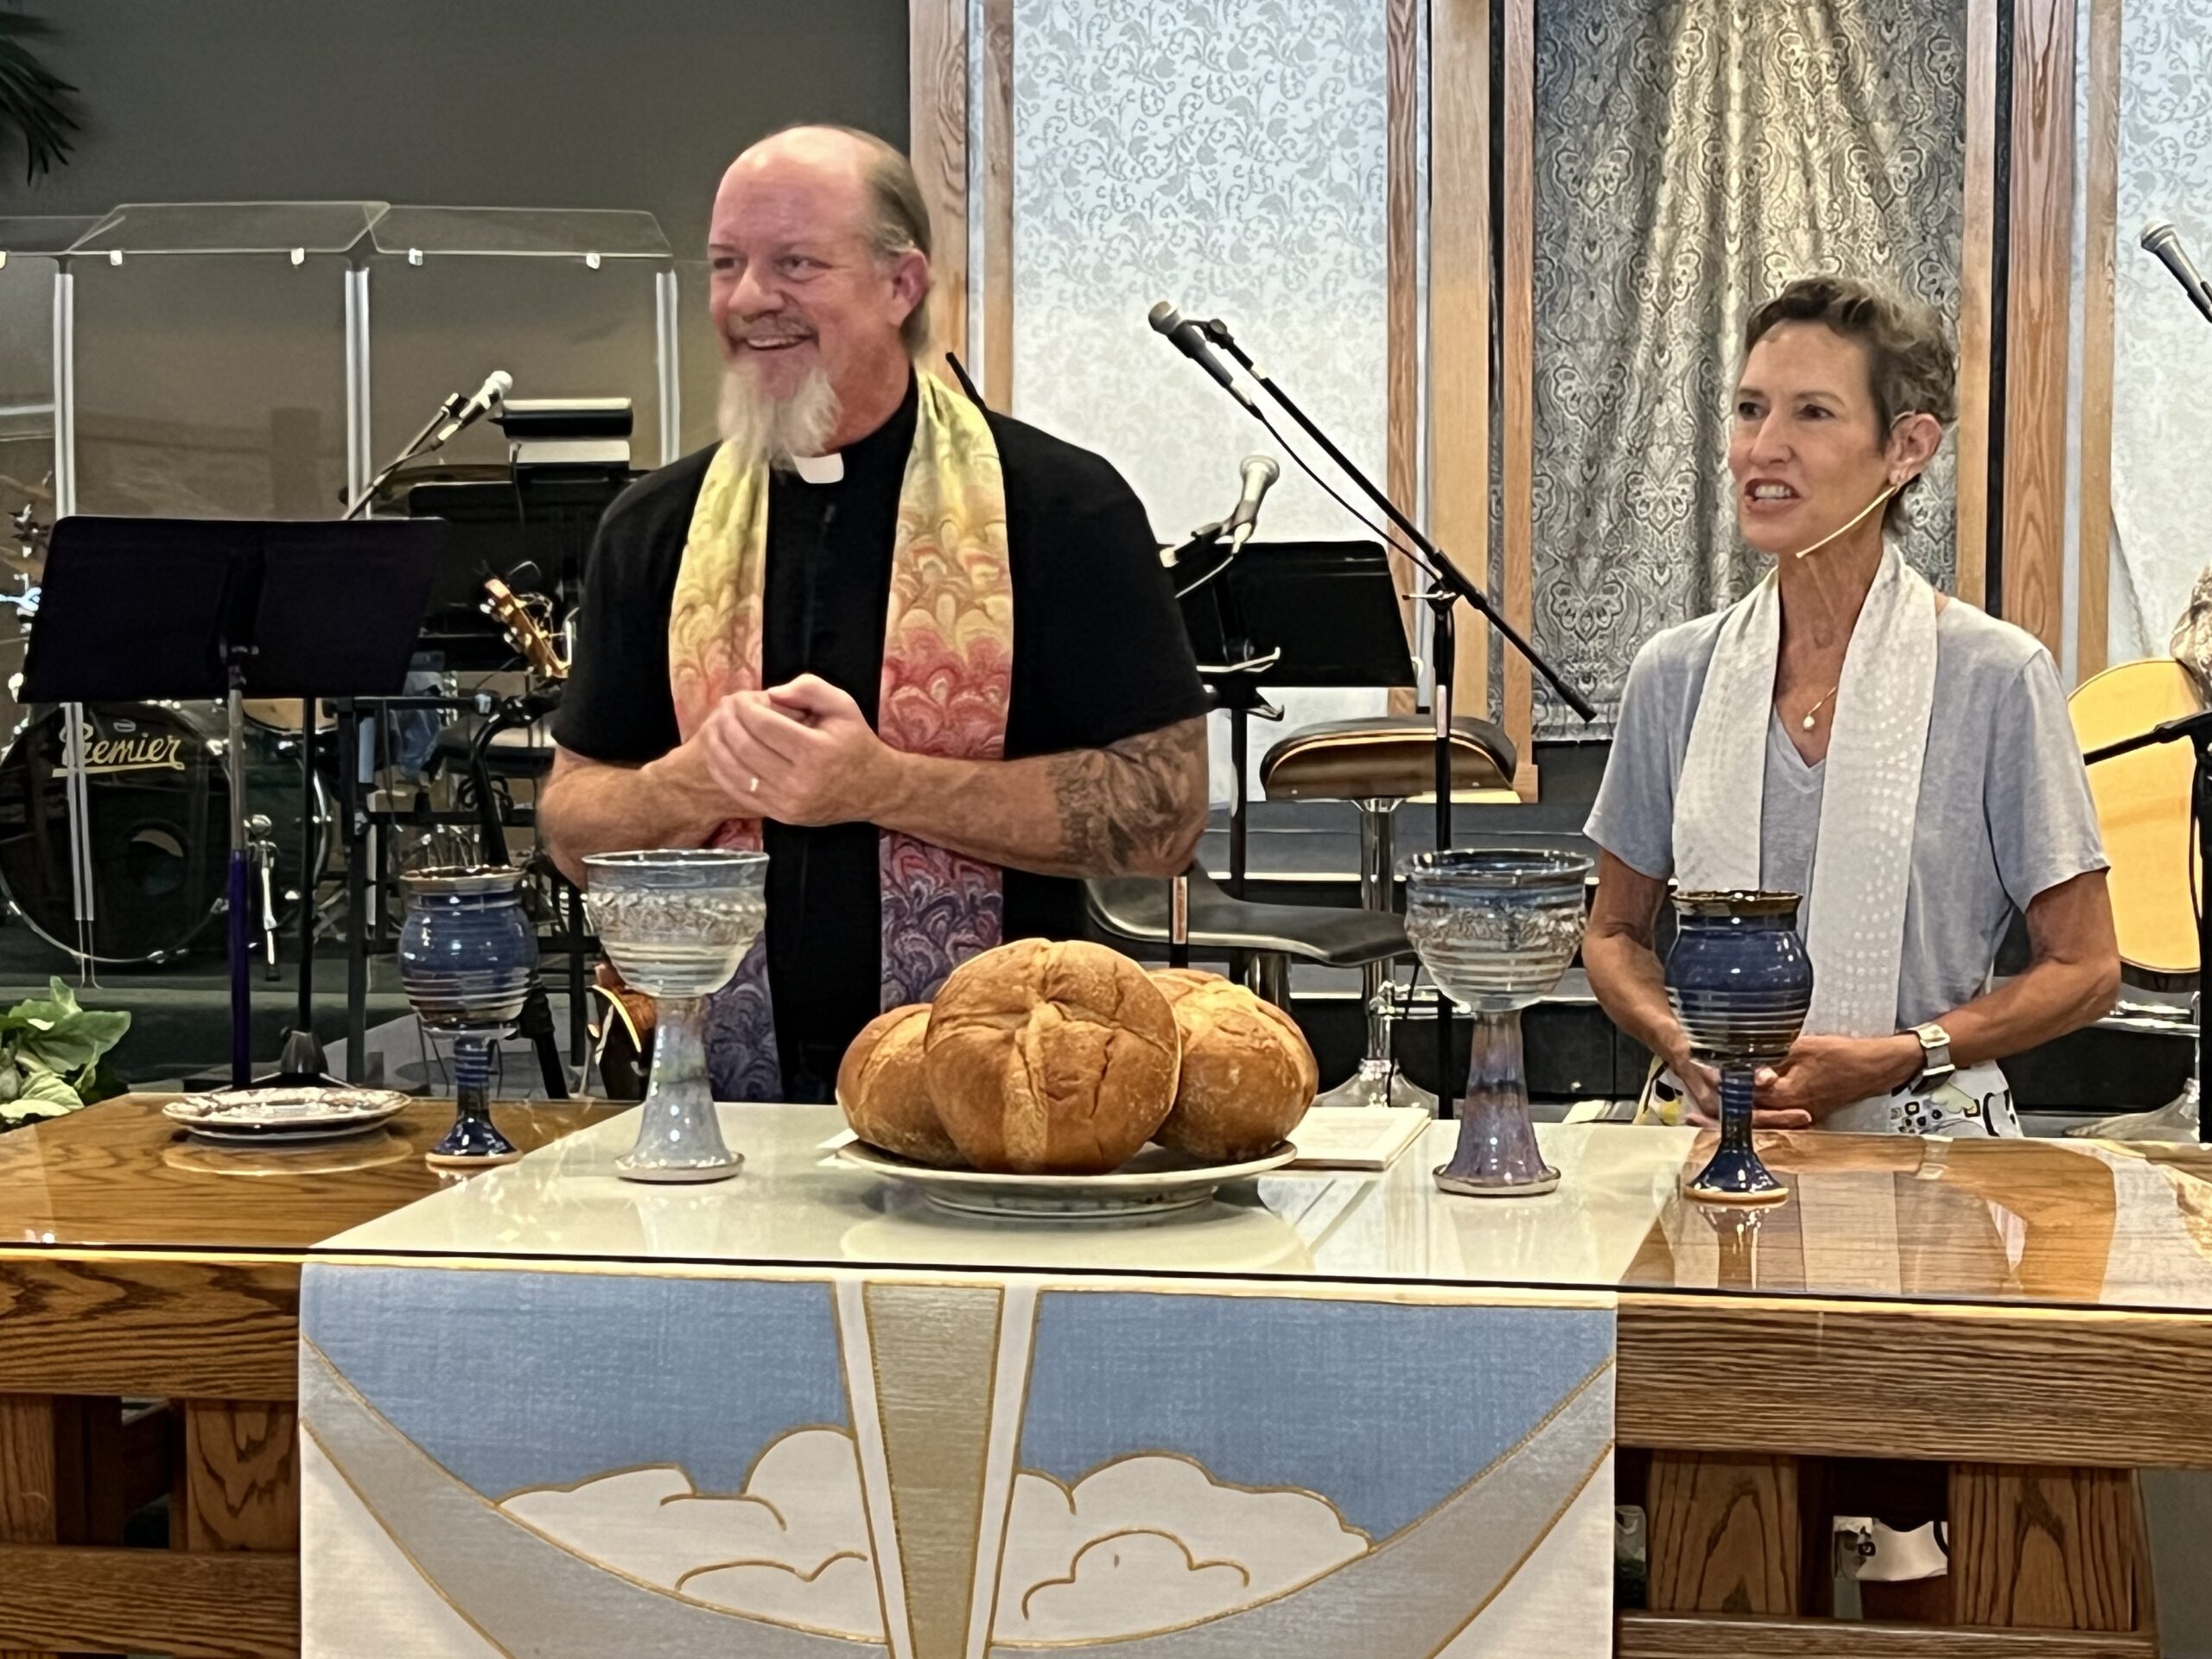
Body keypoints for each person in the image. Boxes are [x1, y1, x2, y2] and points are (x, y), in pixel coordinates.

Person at [541, 124, 1210, 1103]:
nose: (748, 298)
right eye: (725, 264)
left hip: (1006, 1101)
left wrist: (883, 785)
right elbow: (570, 829)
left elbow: (1164, 815)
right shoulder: (654, 526)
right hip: (712, 1106)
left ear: (902, 284)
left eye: (795, 264)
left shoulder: (1061, 507)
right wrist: (696, 781)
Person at [1581, 276, 2120, 1136]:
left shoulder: (1996, 675)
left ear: (1906, 447)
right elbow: (1612, 935)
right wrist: (1682, 1044)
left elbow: (2085, 969)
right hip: (1707, 1130)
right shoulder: (1674, 672)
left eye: (1812, 414)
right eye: (1750, 410)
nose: (1764, 448)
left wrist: (1902, 1053)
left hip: (1928, 1144)